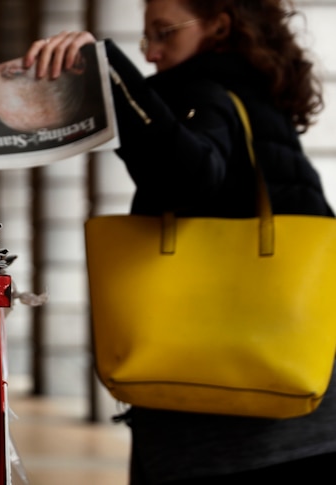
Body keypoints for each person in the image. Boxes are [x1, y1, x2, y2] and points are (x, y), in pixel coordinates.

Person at [24, 0, 336, 483]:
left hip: (221, 430)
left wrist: (110, 73)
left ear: (218, 26)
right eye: (146, 37)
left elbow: (183, 178)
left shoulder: (206, 94)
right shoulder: (255, 100)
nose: (151, 52)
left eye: (164, 33)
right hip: (300, 404)